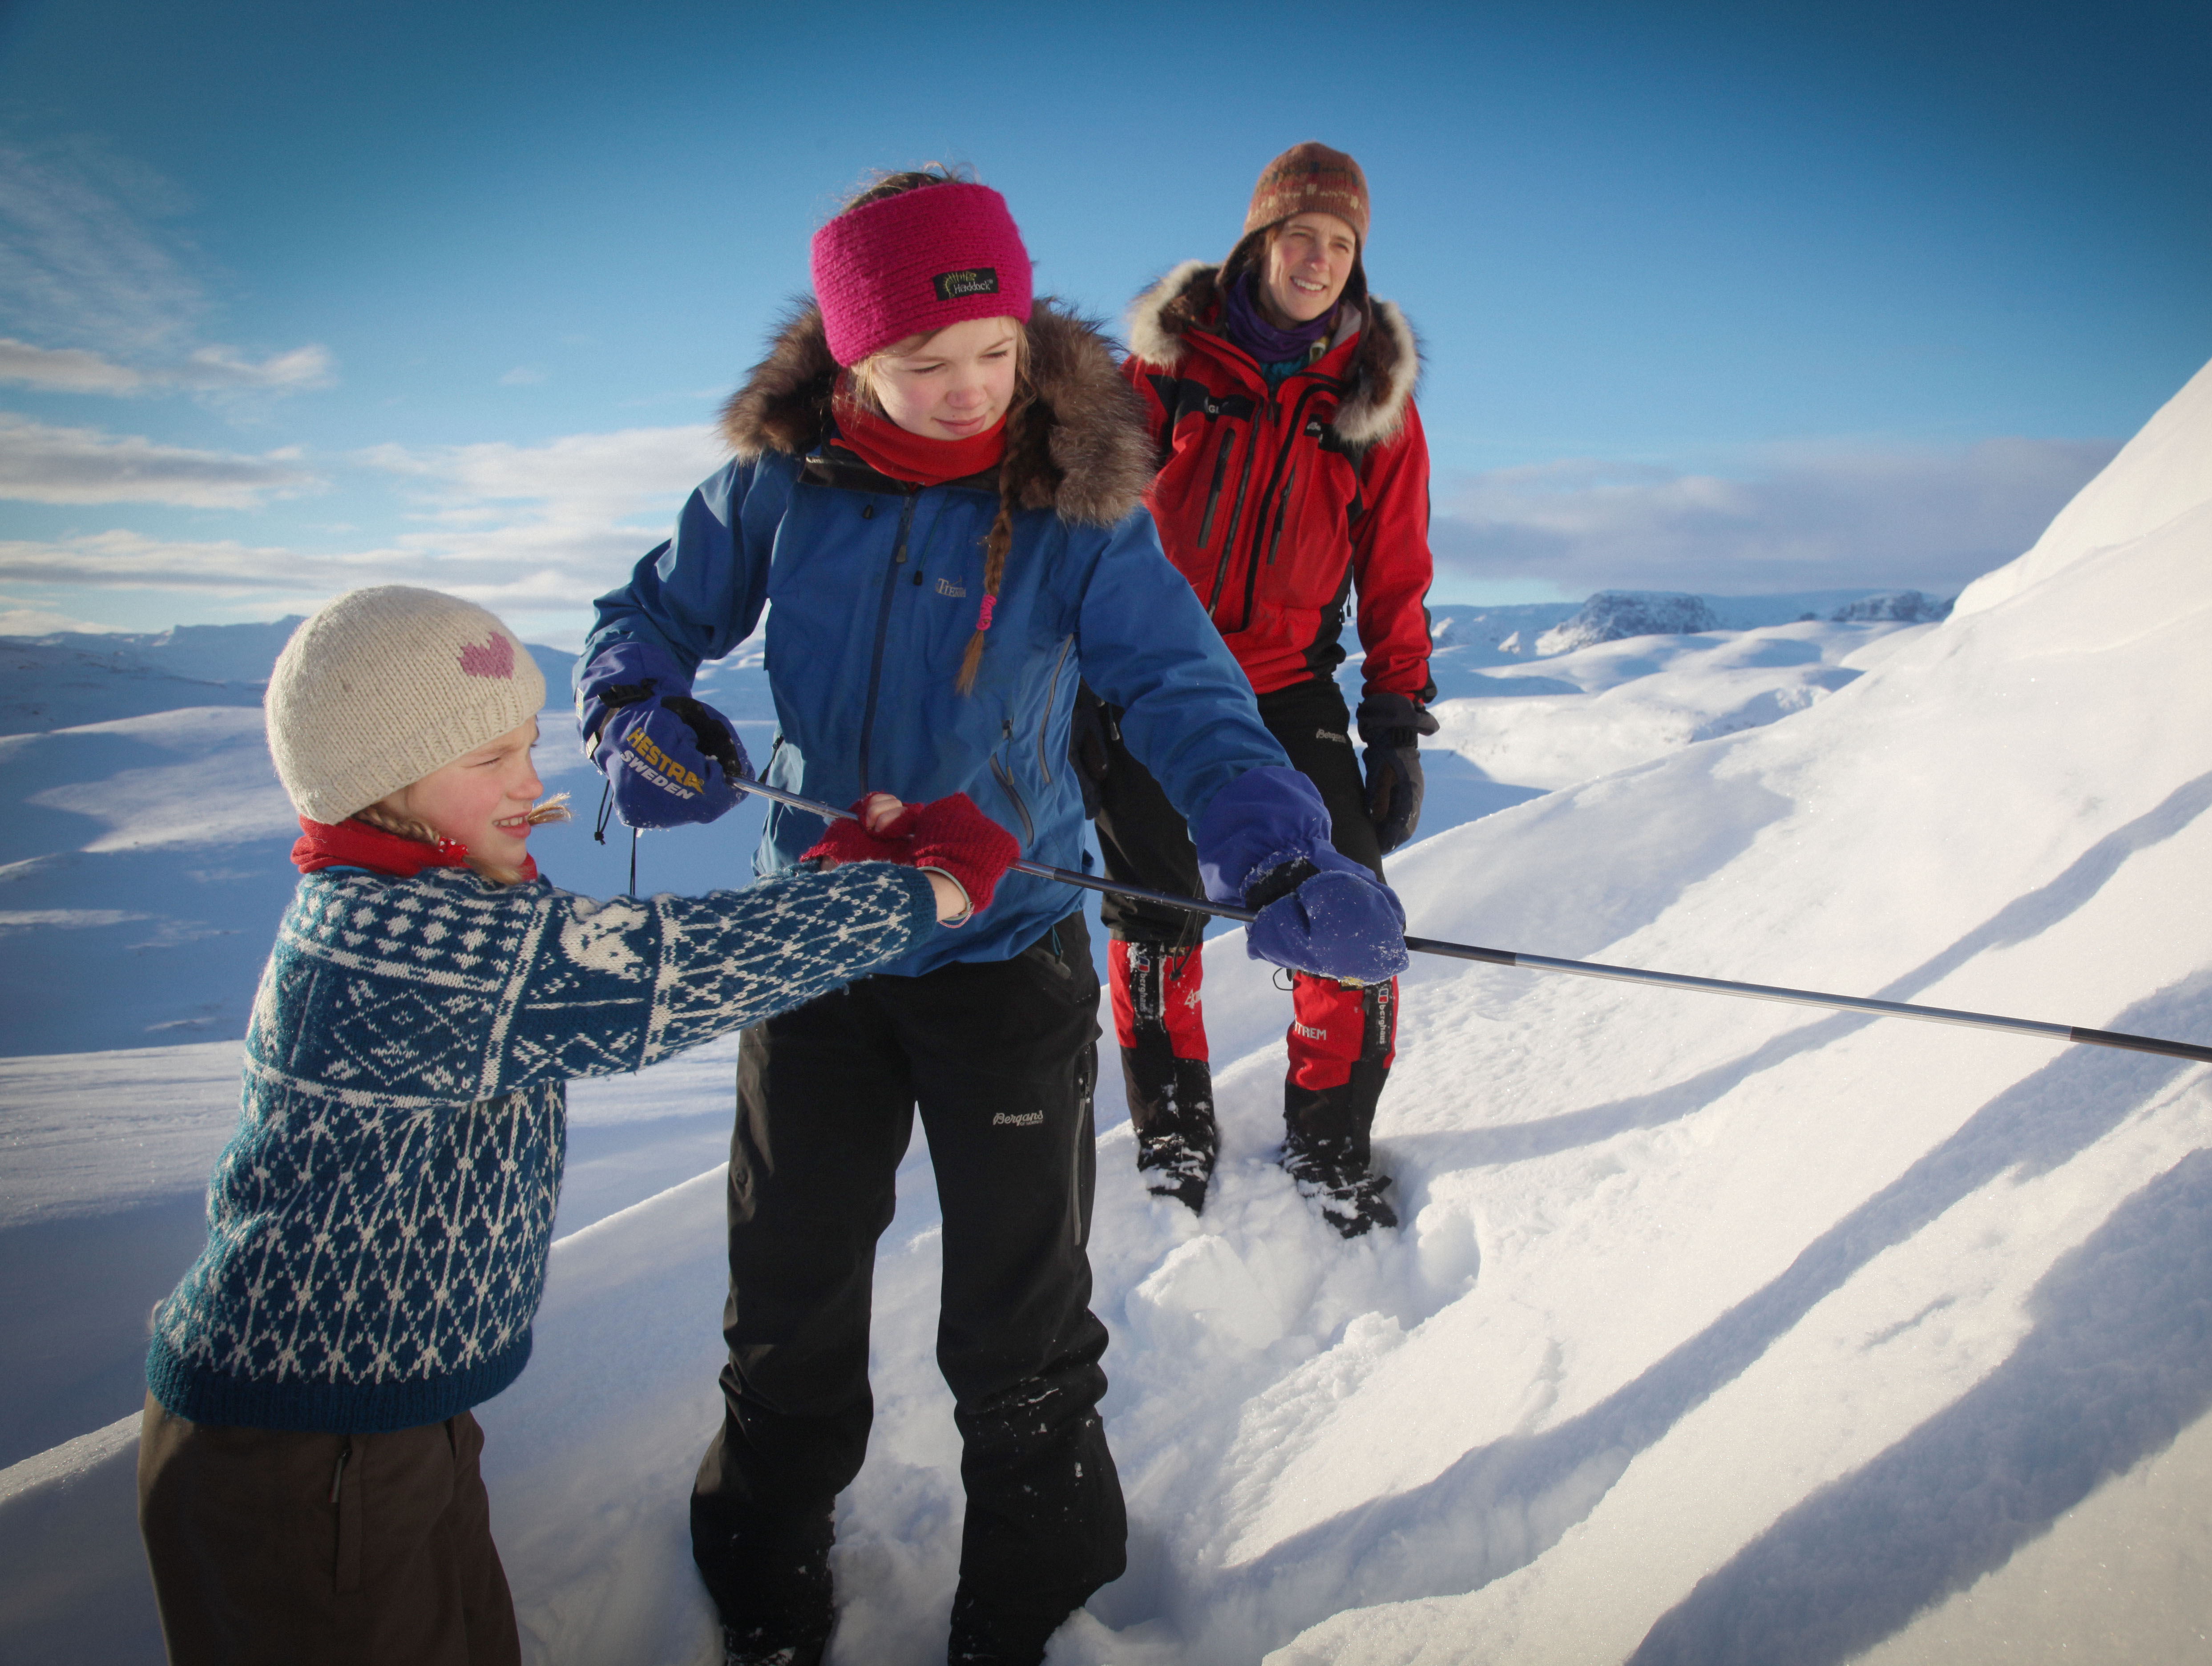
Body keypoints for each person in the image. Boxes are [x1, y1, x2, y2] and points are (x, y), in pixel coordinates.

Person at [575, 170, 1407, 1666]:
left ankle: (1033, 1603)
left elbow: (1182, 688)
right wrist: (636, 707)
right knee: (787, 1305)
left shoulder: (1078, 505)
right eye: (923, 361)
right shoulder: (779, 486)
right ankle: (763, 1587)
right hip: (813, 947)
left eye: (995, 351)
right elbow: (647, 619)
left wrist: (1276, 845)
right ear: (851, 363)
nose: (969, 390)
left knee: (1019, 1326)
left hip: (1006, 951)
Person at [136, 584, 1013, 1666]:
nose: (530, 782)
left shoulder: (421, 904)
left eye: (526, 746)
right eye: (490, 758)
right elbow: (665, 975)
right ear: (380, 784)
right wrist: (933, 892)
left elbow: (626, 948)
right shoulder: (404, 942)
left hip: (378, 1420)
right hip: (305, 1453)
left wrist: (837, 875)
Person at [1084, 142, 1435, 1236]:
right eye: (1300, 236)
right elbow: (1081, 530)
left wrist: (1395, 721)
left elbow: (1396, 569)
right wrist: (1063, 683)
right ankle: (1173, 1130)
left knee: (1353, 912)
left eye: (1341, 243)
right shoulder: (1161, 373)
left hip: (1288, 689)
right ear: (1258, 243)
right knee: (1155, 911)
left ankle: (1330, 1141)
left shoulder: (1372, 399)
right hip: (1148, 681)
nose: (1319, 260)